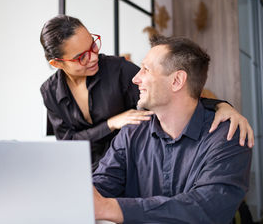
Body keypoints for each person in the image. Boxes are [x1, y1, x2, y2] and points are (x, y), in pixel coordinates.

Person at [40, 15, 254, 171]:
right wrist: (111, 124)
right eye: (81, 57)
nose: (93, 57)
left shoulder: (118, 70)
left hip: (129, 170)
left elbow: (170, 96)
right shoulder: (50, 92)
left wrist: (221, 106)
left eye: (93, 45)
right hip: (83, 174)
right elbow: (67, 144)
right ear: (57, 63)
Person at [92, 35, 252, 223]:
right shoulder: (131, 133)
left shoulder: (228, 136)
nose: (136, 78)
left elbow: (205, 208)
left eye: (146, 69)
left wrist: (112, 208)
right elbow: (100, 187)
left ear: (177, 80)